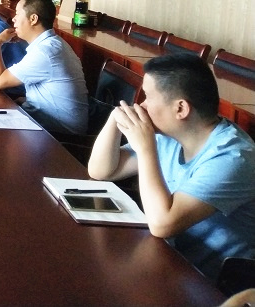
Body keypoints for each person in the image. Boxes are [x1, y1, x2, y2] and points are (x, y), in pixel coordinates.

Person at [88, 54, 255, 281]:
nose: (141, 105)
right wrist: (115, 120)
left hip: (214, 284)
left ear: (180, 108)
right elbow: (102, 171)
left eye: (148, 97)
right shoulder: (170, 135)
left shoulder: (233, 157)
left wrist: (146, 149)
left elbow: (162, 225)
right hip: (168, 261)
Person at [0, 0, 88, 134]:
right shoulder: (52, 43)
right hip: (47, 123)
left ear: (33, 19)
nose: (14, 19)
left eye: (18, 14)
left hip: (59, 135)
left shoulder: (45, 52)